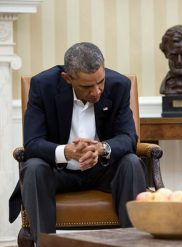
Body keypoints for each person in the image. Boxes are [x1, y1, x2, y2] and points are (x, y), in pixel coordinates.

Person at [8, 42, 146, 244]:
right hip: (58, 173)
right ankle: (45, 243)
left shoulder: (119, 85)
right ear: (67, 79)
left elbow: (128, 137)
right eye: (87, 86)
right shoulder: (43, 86)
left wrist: (101, 149)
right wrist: (67, 152)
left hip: (103, 171)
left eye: (100, 82)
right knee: (34, 168)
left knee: (132, 163)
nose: (97, 91)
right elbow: (32, 142)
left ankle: (134, 243)